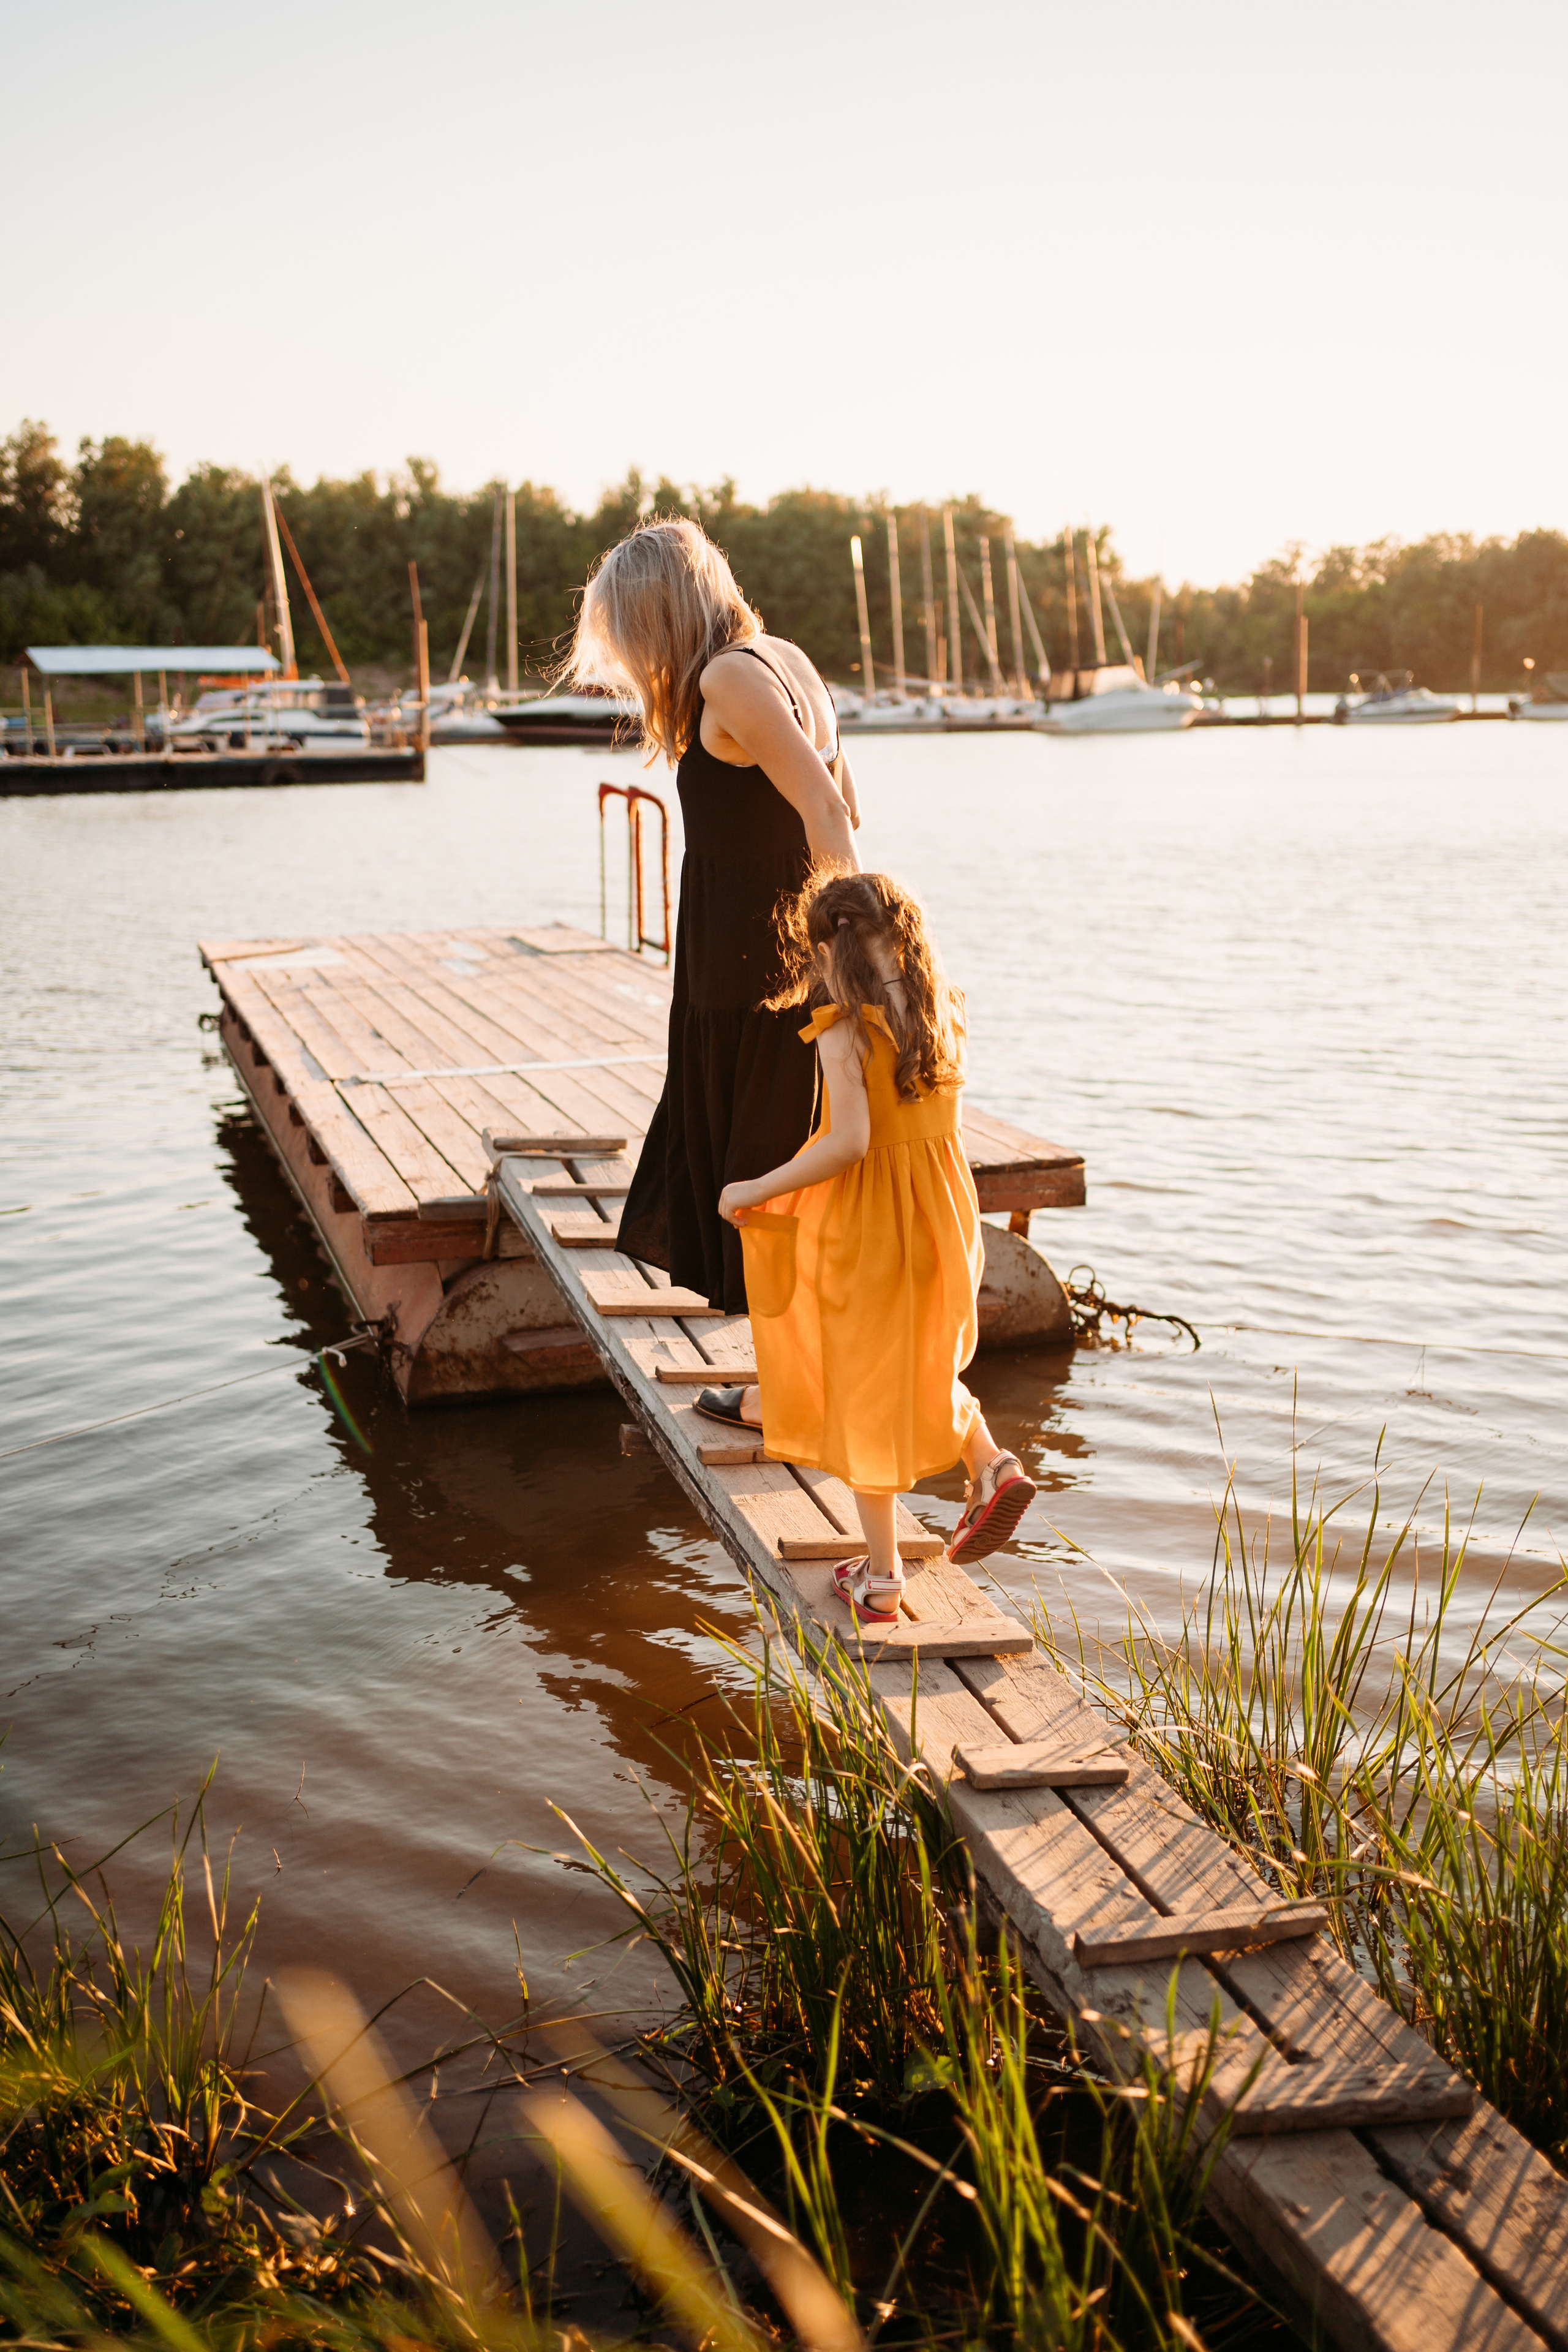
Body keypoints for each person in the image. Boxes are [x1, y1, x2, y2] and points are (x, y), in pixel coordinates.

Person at [568, 521, 861, 1425]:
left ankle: (787, 1396)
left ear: (657, 614)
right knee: (770, 1173)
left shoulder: (727, 675)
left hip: (759, 975)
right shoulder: (783, 659)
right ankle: (794, 1381)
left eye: (625, 630)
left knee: (758, 1177)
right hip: (753, 965)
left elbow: (827, 814)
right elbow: (850, 803)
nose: (625, 655)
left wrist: (850, 961)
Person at [711, 869, 1036, 1624]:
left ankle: (883, 1579)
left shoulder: (845, 1025)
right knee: (917, 1362)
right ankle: (990, 1465)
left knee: (864, 1388)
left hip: (872, 1229)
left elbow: (851, 1142)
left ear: (831, 948)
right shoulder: (942, 1010)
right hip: (942, 1217)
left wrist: (754, 1187)